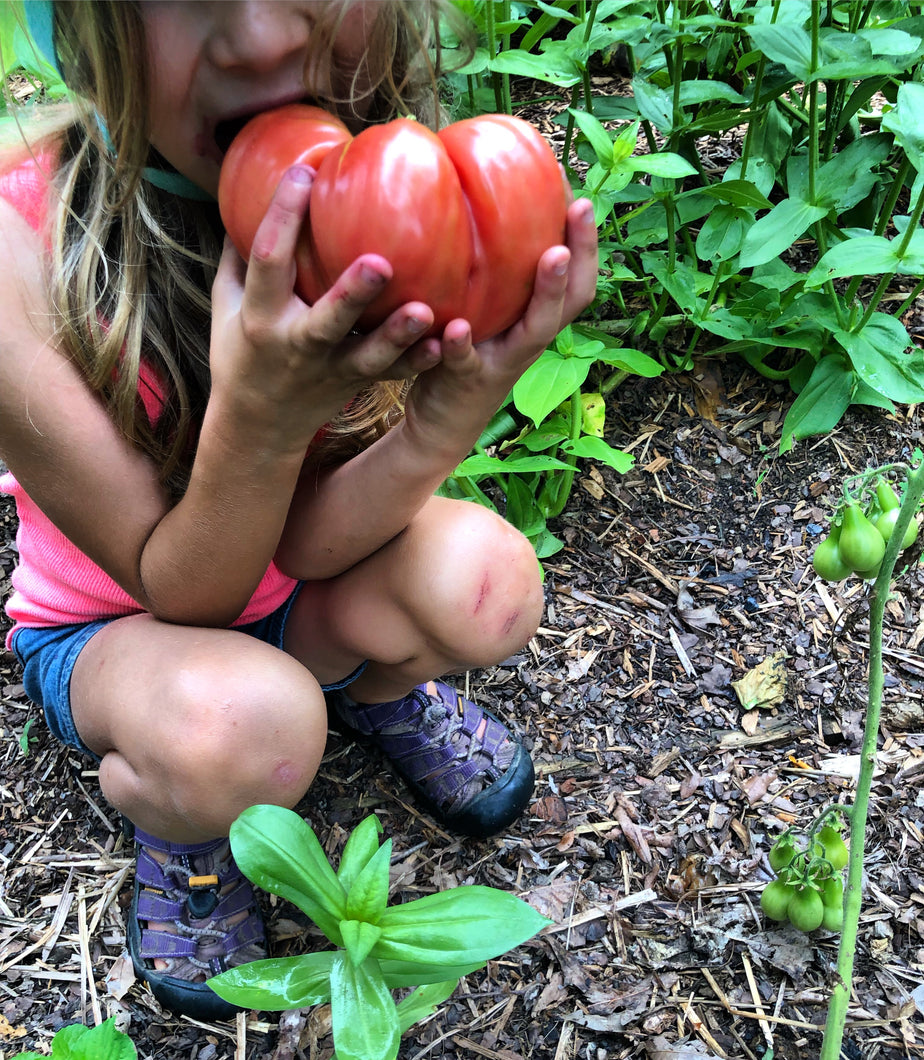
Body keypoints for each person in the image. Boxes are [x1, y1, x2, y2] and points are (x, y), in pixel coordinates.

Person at [0, 0, 598, 1022]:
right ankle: (180, 815)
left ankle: (361, 683)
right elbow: (182, 587)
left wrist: (446, 414)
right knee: (243, 729)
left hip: (290, 579)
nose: (264, 35)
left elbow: (312, 537)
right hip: (129, 624)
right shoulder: (19, 255)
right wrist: (262, 420)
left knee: (486, 584)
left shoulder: (383, 194)